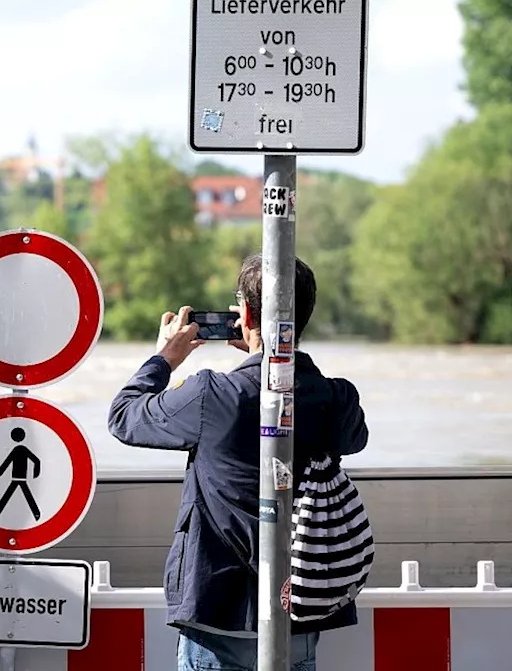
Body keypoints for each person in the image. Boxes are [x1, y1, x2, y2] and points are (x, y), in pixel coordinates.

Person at [107, 255, 369, 671]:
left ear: (245, 313)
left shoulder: (212, 395)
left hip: (219, 615)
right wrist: (269, 358)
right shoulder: (336, 399)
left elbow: (124, 417)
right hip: (297, 618)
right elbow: (355, 438)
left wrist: (164, 359)